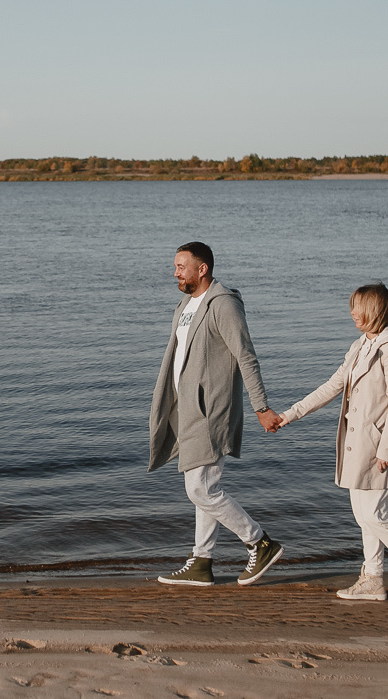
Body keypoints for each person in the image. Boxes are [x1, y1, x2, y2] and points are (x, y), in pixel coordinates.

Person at [276, 282, 388, 603]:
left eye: (359, 306)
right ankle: (373, 579)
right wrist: (289, 415)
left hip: (378, 446)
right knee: (364, 517)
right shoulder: (361, 344)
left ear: (376, 310)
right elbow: (333, 385)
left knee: (375, 515)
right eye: (352, 306)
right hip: (356, 443)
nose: (352, 312)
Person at [149, 242, 284, 587]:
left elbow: (245, 355)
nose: (175, 272)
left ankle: (259, 542)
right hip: (188, 409)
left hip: (212, 409)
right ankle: (202, 561)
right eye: (175, 266)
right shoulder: (185, 305)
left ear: (202, 269)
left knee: (199, 488)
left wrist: (261, 406)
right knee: (204, 486)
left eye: (181, 266)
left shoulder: (223, 304)